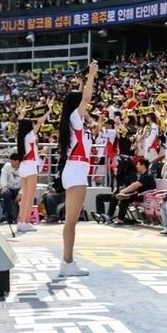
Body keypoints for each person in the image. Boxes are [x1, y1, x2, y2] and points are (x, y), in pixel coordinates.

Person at [55, 61, 99, 278]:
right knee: (71, 222)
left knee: (70, 221)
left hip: (73, 169)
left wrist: (82, 82)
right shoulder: (75, 118)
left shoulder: (71, 120)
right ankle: (67, 262)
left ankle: (67, 261)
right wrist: (91, 76)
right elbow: (86, 99)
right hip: (77, 171)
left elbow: (82, 99)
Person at [103, 156, 155, 225]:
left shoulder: (147, 175)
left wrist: (123, 191)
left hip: (146, 196)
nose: (136, 166)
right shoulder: (142, 175)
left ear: (143, 165)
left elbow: (134, 185)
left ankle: (119, 219)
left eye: (138, 164)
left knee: (124, 199)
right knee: (117, 196)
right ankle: (110, 216)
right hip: (138, 195)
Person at [15, 110, 43, 232]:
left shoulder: (21, 136)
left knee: (25, 196)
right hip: (30, 165)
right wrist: (48, 111)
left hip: (23, 165)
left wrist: (22, 115)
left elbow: (21, 123)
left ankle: (21, 221)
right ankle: (25, 222)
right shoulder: (30, 135)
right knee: (30, 196)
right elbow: (40, 122)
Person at [0, 152, 22, 224]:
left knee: (25, 195)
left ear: (17, 161)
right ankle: (9, 215)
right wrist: (4, 187)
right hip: (8, 188)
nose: (10, 162)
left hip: (19, 189)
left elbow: (25, 182)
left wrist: (20, 193)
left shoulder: (23, 168)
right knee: (5, 194)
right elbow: (3, 178)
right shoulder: (7, 166)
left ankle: (20, 217)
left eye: (12, 161)